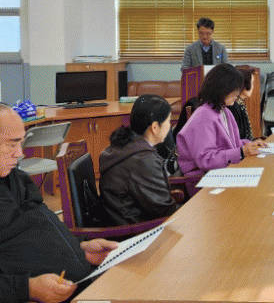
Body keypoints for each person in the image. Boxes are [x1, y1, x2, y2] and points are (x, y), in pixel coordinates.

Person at [0, 104, 118, 303]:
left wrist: (80, 248)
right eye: (12, 145)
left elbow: (43, 226)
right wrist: (28, 288)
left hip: (84, 284)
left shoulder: (15, 177)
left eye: (21, 143)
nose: (20, 153)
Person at [99, 95, 178, 225]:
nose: (170, 126)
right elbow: (162, 210)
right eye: (168, 121)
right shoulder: (143, 160)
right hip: (136, 229)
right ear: (155, 127)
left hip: (125, 220)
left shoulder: (125, 145)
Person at [176, 64, 267, 175]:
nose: (237, 94)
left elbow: (233, 144)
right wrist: (241, 152)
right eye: (235, 90)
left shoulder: (225, 111)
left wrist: (250, 144)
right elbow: (206, 159)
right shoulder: (203, 116)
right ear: (222, 89)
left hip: (219, 172)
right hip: (201, 177)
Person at [227, 65, 258, 141]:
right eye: (252, 83)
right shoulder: (233, 106)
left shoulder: (240, 104)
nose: (253, 87)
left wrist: (253, 142)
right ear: (243, 84)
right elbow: (237, 139)